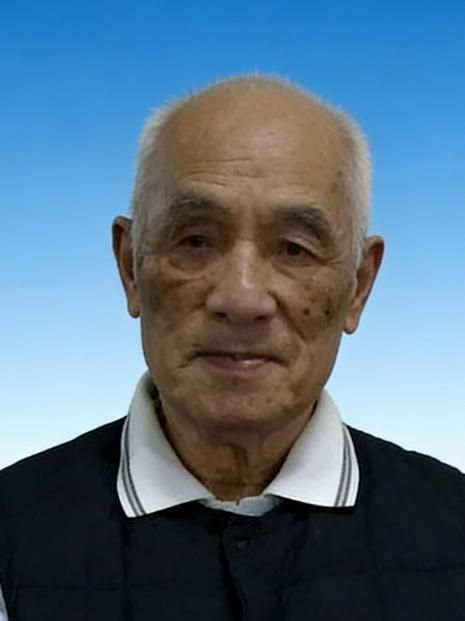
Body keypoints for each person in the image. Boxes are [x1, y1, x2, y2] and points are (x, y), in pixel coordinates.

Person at [1, 75, 465, 621]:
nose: (242, 298)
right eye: (196, 241)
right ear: (129, 267)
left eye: (294, 248)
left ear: (358, 286)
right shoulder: (12, 535)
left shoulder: (453, 528)